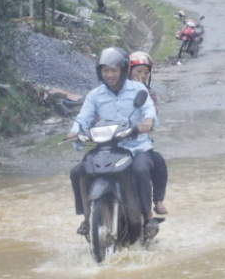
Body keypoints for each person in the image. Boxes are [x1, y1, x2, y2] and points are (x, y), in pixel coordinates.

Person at [65, 47, 159, 237]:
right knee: (77, 172)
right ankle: (86, 217)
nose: (109, 75)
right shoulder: (95, 95)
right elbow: (83, 117)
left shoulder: (138, 89)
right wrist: (74, 131)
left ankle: (149, 217)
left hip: (136, 147)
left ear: (123, 70)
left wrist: (147, 122)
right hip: (107, 147)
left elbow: (149, 110)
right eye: (105, 70)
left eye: (113, 70)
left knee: (141, 170)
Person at [128, 50, 169, 215]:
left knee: (158, 162)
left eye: (146, 72)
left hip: (138, 140)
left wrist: (147, 122)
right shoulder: (115, 89)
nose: (142, 75)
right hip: (113, 139)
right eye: (139, 72)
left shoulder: (148, 92)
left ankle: (157, 202)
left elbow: (153, 115)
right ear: (128, 71)